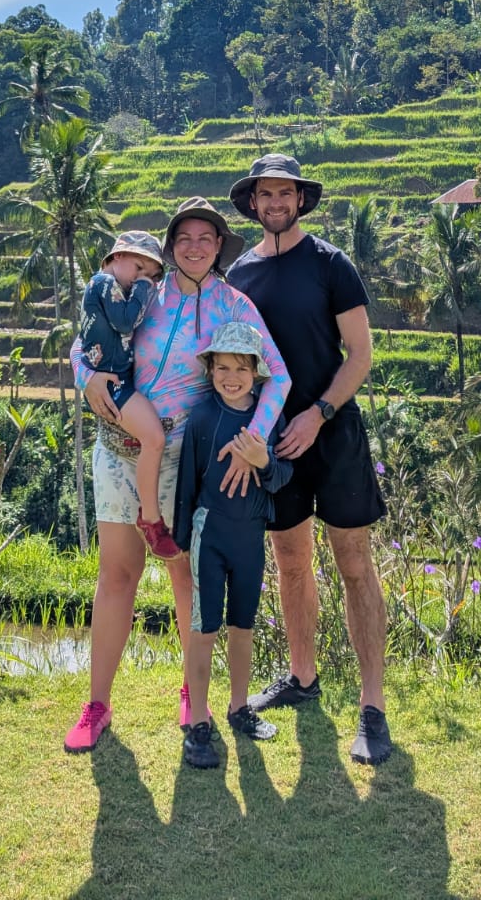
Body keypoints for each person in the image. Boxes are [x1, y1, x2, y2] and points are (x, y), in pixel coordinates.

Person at [64, 198, 290, 754]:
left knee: (185, 577)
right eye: (184, 237)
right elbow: (85, 338)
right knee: (117, 575)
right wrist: (85, 376)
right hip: (118, 447)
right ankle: (97, 705)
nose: (195, 246)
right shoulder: (145, 292)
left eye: (206, 238)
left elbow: (278, 377)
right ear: (170, 246)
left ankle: (195, 694)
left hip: (183, 459)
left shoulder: (234, 306)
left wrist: (252, 443)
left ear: (219, 248)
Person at [227, 153, 393, 766]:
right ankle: (302, 676)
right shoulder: (239, 274)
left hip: (333, 430)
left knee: (354, 563)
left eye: (285, 193)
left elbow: (360, 354)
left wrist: (318, 413)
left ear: (300, 200)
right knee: (291, 562)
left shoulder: (331, 264)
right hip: (272, 442)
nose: (275, 203)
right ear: (253, 203)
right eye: (265, 194)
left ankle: (372, 706)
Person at [172, 320, 292, 769]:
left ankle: (239, 707)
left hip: (250, 537)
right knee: (203, 629)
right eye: (222, 367)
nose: (231, 377)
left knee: (244, 625)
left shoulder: (267, 418)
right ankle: (198, 722)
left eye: (241, 368)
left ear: (257, 372)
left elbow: (282, 477)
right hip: (211, 536)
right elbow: (187, 481)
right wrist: (181, 540)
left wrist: (263, 461)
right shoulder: (203, 418)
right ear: (210, 370)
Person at [77, 230, 177, 558]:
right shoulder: (104, 283)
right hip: (114, 384)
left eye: (152, 275)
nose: (142, 278)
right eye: (139, 268)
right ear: (117, 256)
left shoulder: (114, 289)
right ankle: (151, 519)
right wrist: (146, 288)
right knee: (154, 438)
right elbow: (125, 323)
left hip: (118, 380)